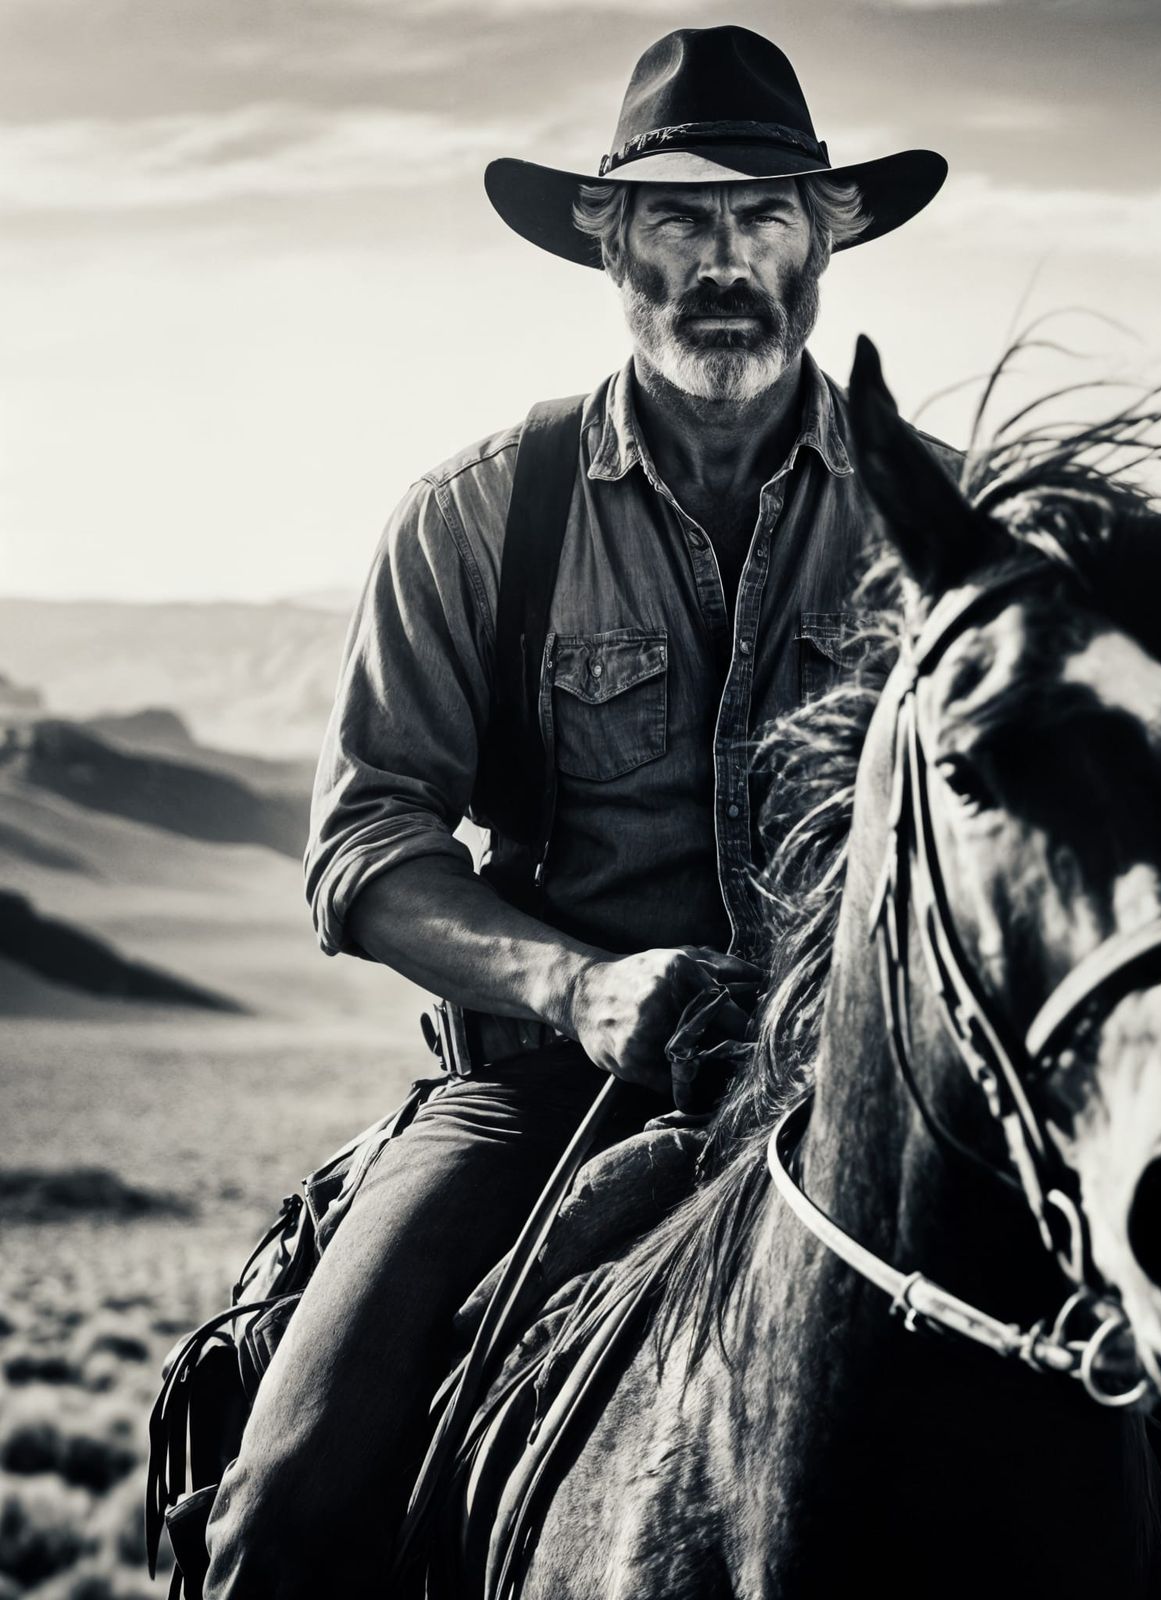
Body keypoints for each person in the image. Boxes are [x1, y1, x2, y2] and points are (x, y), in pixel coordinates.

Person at [202, 26, 948, 1596]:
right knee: (284, 1510)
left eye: (765, 217)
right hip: (540, 1093)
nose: (725, 261)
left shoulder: (939, 524)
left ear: (829, 239)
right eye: (678, 217)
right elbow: (365, 852)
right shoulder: (479, 513)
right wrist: (578, 986)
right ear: (608, 243)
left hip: (878, 1109)